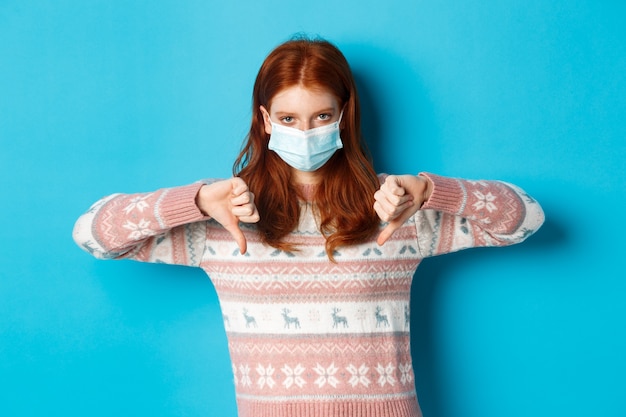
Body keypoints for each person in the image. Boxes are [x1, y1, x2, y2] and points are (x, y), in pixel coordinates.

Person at [73, 36, 544, 417]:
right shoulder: (223, 217)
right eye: (288, 118)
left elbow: (525, 219)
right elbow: (94, 234)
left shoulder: (395, 208)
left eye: (321, 116)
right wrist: (192, 200)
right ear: (265, 120)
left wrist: (430, 191)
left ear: (344, 115)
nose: (305, 131)